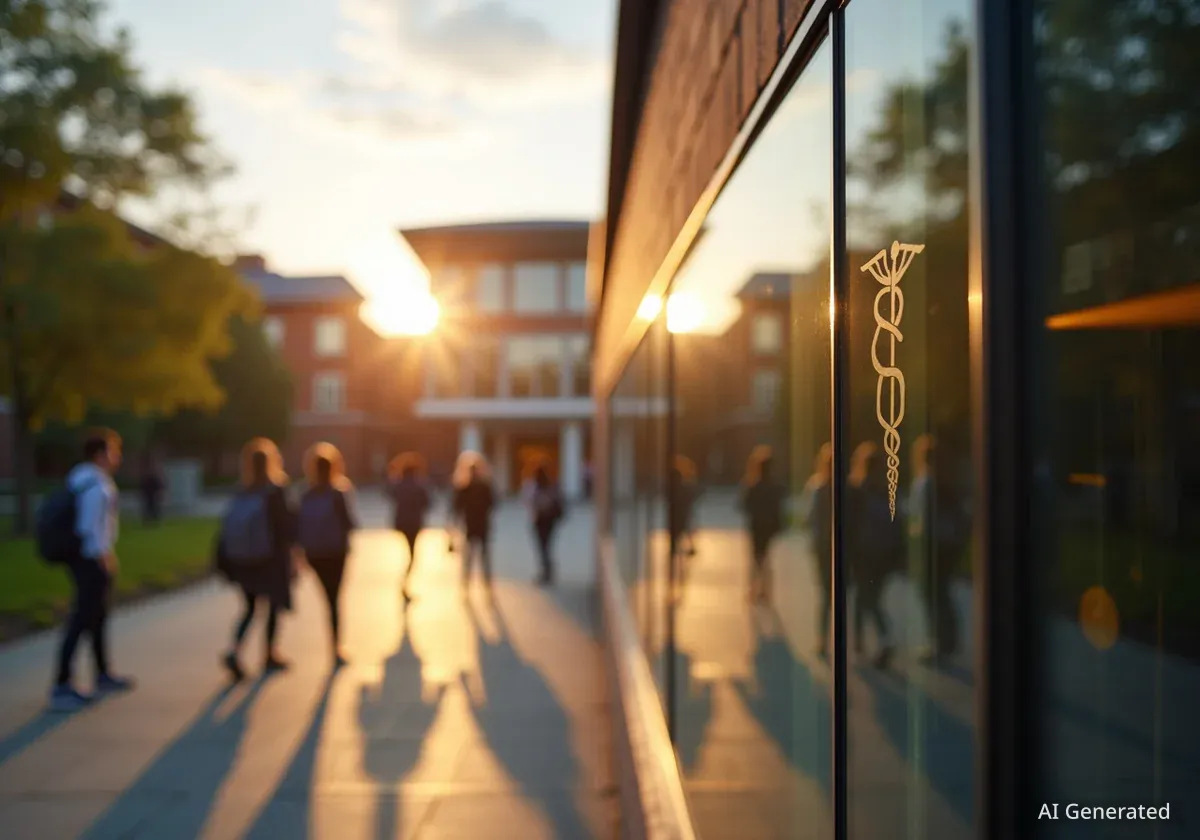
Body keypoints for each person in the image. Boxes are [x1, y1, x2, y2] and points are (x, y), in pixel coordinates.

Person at [50, 429, 135, 711]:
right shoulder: (96, 486)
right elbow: (89, 528)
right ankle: (62, 685)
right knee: (81, 620)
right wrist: (103, 557)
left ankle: (102, 674)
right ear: (100, 455)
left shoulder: (79, 480)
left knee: (97, 617)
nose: (117, 457)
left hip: (84, 558)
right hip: (90, 561)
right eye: (113, 451)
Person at [215, 438, 296, 680]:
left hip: (244, 560)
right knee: (273, 606)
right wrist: (293, 557)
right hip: (270, 560)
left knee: (249, 609)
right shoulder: (275, 490)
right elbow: (286, 528)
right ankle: (270, 653)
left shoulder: (241, 490)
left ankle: (234, 650)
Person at [908, 434, 969, 665]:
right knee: (940, 593)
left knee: (932, 594)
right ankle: (946, 641)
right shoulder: (943, 481)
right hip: (946, 544)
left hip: (933, 544)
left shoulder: (927, 483)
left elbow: (924, 518)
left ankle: (938, 642)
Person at [297, 442, 357, 669]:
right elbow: (350, 523)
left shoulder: (305, 494)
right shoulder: (338, 493)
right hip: (336, 552)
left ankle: (334, 648)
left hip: (314, 554)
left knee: (327, 597)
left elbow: (297, 527)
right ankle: (335, 649)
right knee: (334, 600)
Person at [847, 442, 901, 669]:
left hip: (864, 553)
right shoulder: (887, 491)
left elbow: (850, 526)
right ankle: (865, 641)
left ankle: (870, 640)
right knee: (869, 597)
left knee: (866, 598)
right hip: (883, 554)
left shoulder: (857, 491)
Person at [740, 446, 787, 603]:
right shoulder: (775, 486)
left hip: (757, 525)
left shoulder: (753, 485)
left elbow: (744, 505)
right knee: (765, 558)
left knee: (756, 558)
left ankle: (754, 589)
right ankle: (765, 591)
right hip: (769, 526)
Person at [801, 443, 833, 659]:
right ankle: (855, 640)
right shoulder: (847, 487)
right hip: (843, 547)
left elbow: (808, 517)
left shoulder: (817, 486)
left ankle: (823, 640)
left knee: (826, 594)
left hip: (822, 546)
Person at [387, 451, 431, 601]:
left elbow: (388, 493)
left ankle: (404, 584)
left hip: (401, 523)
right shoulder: (419, 486)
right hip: (414, 524)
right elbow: (428, 503)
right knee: (412, 555)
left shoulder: (398, 485)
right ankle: (404, 584)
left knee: (410, 554)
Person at [452, 452, 497, 597]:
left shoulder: (465, 488)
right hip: (481, 524)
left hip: (471, 525)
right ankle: (486, 585)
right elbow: (493, 504)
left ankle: (467, 585)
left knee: (470, 557)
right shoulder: (484, 486)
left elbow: (456, 508)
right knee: (483, 556)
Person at [523, 464, 564, 586]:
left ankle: (546, 571)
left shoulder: (534, 487)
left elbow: (528, 502)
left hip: (540, 520)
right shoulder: (552, 485)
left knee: (543, 547)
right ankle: (548, 571)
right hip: (550, 520)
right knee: (547, 546)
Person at [139, 456, 164, 526]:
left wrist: (159, 492)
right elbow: (143, 486)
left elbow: (158, 485)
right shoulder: (147, 478)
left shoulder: (152, 478)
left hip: (152, 495)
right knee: (148, 508)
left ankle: (154, 520)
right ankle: (148, 520)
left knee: (154, 508)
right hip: (148, 495)